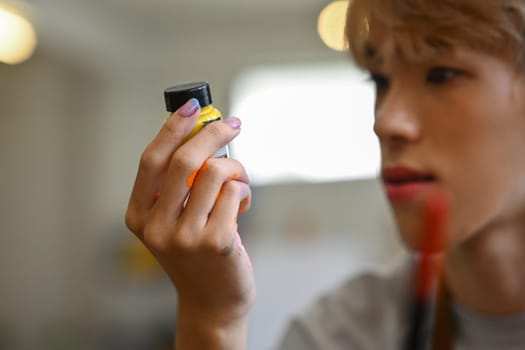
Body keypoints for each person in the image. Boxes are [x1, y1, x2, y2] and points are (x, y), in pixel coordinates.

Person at [125, 0, 525, 349]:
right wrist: (211, 318)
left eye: (441, 74)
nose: (385, 121)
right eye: (380, 80)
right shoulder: (344, 332)